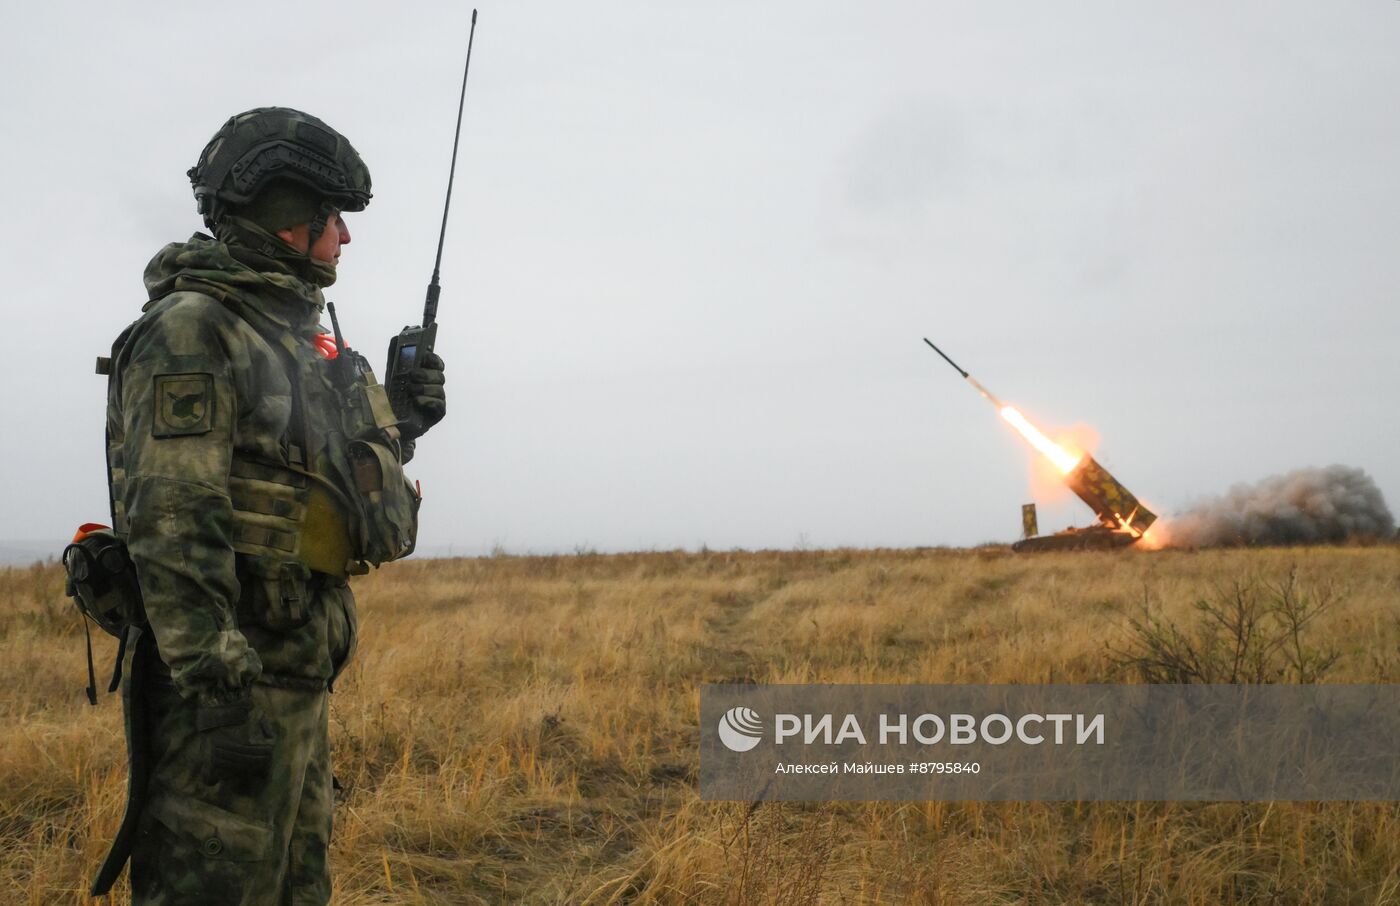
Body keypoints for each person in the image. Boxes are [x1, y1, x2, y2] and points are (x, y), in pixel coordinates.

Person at [91, 107, 446, 904]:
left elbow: (311, 486)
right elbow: (174, 517)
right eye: (335, 221)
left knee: (294, 887)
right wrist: (218, 694)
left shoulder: (293, 337)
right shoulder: (195, 329)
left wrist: (400, 425)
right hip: (228, 699)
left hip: (293, 683)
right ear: (292, 218)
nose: (345, 240)